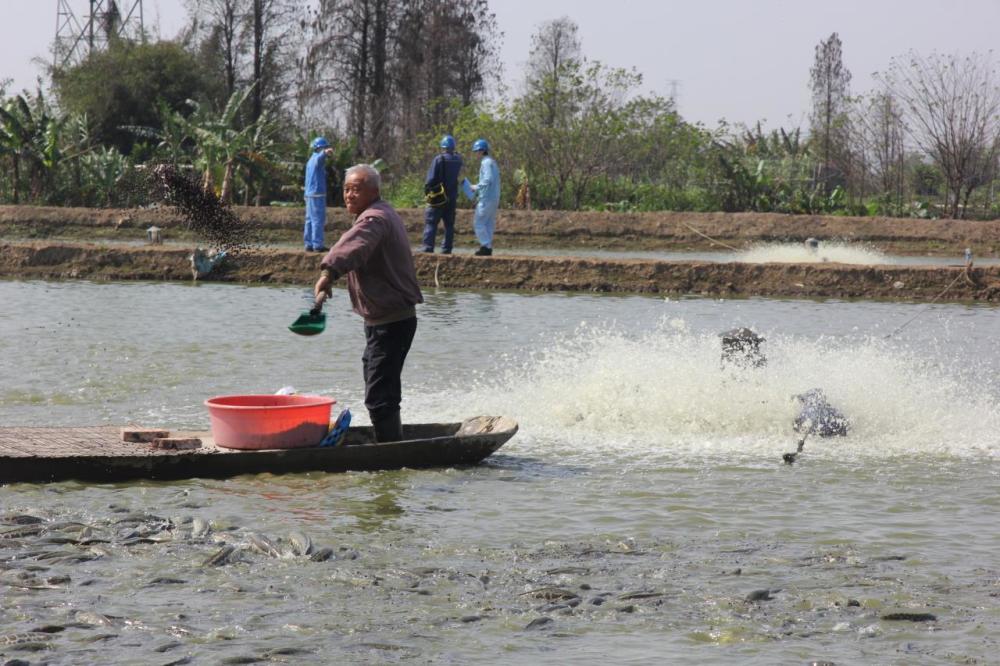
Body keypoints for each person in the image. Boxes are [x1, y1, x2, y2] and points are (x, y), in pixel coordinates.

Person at [313, 164, 423, 442]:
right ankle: (389, 441)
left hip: (391, 322)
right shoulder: (380, 213)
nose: (349, 195)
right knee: (379, 385)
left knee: (379, 393)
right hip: (384, 320)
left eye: (357, 189)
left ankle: (389, 451)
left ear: (374, 192)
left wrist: (329, 272)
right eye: (347, 189)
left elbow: (354, 246)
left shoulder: (374, 219)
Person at [421, 135, 463, 254]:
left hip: (438, 196)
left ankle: (428, 247)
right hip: (452, 196)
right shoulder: (458, 160)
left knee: (431, 222)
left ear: (443, 147)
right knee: (449, 224)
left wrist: (427, 191)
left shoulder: (439, 159)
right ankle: (447, 248)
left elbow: (431, 179)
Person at [470, 138, 500, 256]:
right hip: (494, 197)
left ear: (482, 151)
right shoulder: (492, 162)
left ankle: (486, 245)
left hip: (487, 198)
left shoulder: (485, 162)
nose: (476, 153)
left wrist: (475, 187)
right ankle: (487, 246)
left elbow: (488, 180)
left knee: (478, 223)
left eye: (477, 151)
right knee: (488, 223)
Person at [304, 137, 334, 252]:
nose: (326, 149)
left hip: (310, 194)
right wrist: (325, 153)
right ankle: (318, 245)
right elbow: (320, 159)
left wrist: (305, 195)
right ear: (319, 148)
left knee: (309, 220)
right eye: (324, 147)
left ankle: (309, 244)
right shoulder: (317, 159)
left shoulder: (310, 160)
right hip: (317, 194)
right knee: (318, 220)